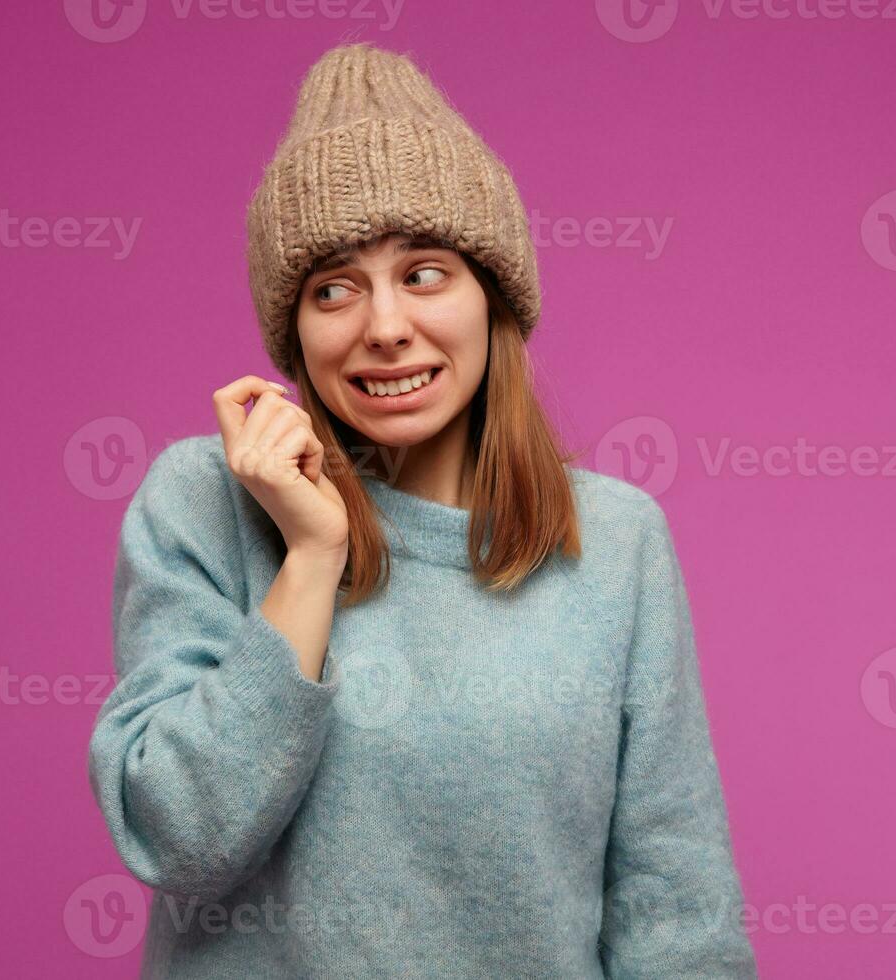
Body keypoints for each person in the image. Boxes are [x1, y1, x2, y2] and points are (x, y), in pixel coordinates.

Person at [86, 41, 759, 979]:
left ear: (495, 297)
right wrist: (312, 556)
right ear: (295, 331)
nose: (385, 325)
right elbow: (178, 836)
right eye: (333, 288)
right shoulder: (206, 503)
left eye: (426, 272)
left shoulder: (616, 541)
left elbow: (675, 906)